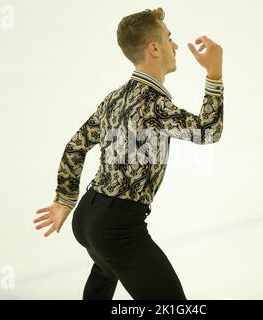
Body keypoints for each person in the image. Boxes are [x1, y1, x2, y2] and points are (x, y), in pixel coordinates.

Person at [33, 7, 224, 300]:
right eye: (169, 38)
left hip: (87, 217)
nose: (175, 45)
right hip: (117, 227)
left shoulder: (115, 98)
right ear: (154, 48)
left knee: (106, 274)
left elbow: (76, 145)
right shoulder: (154, 104)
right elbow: (208, 131)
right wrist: (214, 73)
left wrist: (65, 198)